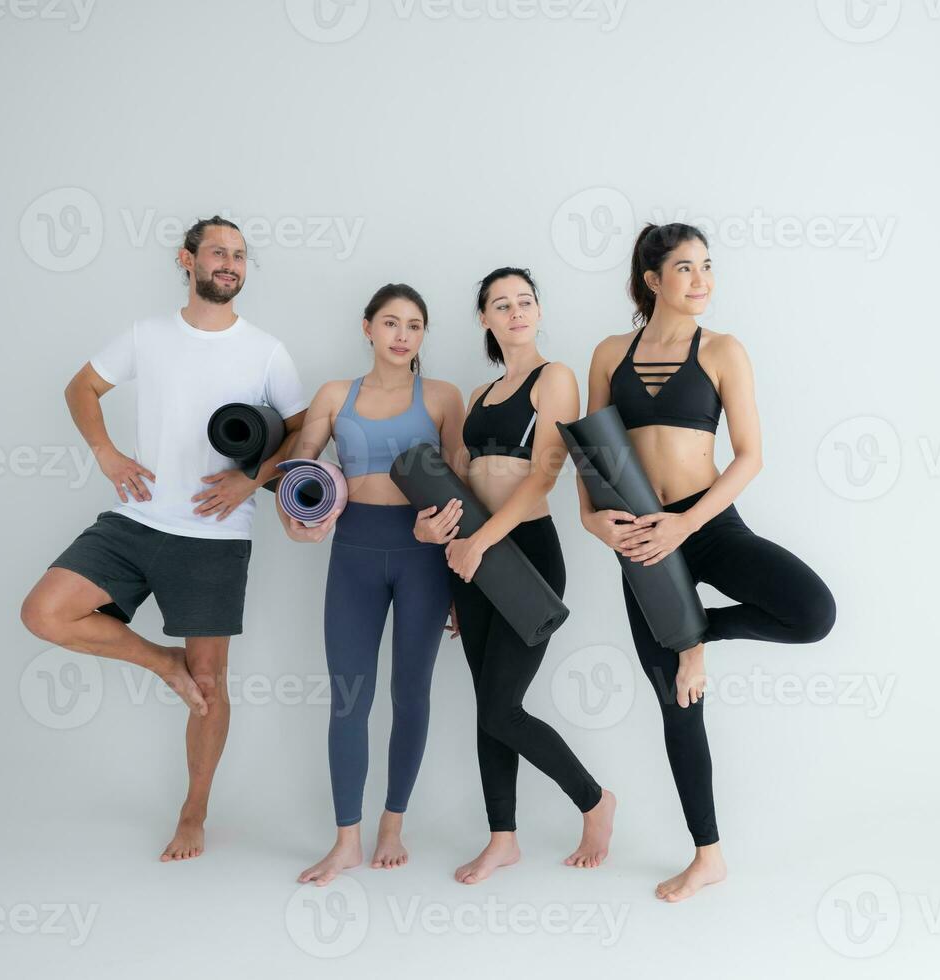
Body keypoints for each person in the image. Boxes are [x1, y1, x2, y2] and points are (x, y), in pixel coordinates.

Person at [20, 217, 308, 862]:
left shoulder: (265, 350)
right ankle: (163, 663)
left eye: (239, 255)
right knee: (44, 612)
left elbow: (301, 430)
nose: (230, 263)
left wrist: (248, 481)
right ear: (188, 259)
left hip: (215, 532)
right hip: (137, 518)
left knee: (210, 682)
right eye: (218, 252)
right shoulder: (147, 335)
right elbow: (82, 386)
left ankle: (193, 814)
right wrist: (106, 452)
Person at [579, 224, 836, 901]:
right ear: (652, 280)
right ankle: (708, 855)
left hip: (707, 523)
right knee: (677, 703)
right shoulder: (609, 353)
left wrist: (686, 529)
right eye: (686, 268)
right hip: (638, 537)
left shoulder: (722, 351)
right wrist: (591, 520)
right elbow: (594, 452)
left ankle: (699, 631)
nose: (702, 280)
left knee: (814, 612)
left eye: (708, 267)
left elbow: (750, 454)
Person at [417, 267, 617, 885]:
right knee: (488, 706)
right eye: (501, 305)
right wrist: (445, 546)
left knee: (503, 707)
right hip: (470, 559)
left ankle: (595, 800)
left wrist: (478, 543)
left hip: (524, 549)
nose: (515, 313)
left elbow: (543, 476)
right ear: (484, 318)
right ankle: (502, 838)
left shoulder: (553, 378)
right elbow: (457, 481)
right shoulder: (478, 398)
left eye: (525, 302)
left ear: (537, 309)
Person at [282, 283, 466, 886]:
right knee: (349, 697)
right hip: (353, 552)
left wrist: (467, 585)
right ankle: (345, 841)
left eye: (414, 325)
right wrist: (297, 523)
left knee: (410, 693)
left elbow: (464, 493)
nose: (402, 335)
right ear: (368, 328)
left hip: (424, 559)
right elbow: (300, 472)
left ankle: (393, 824)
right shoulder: (336, 395)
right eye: (391, 323)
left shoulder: (442, 397)